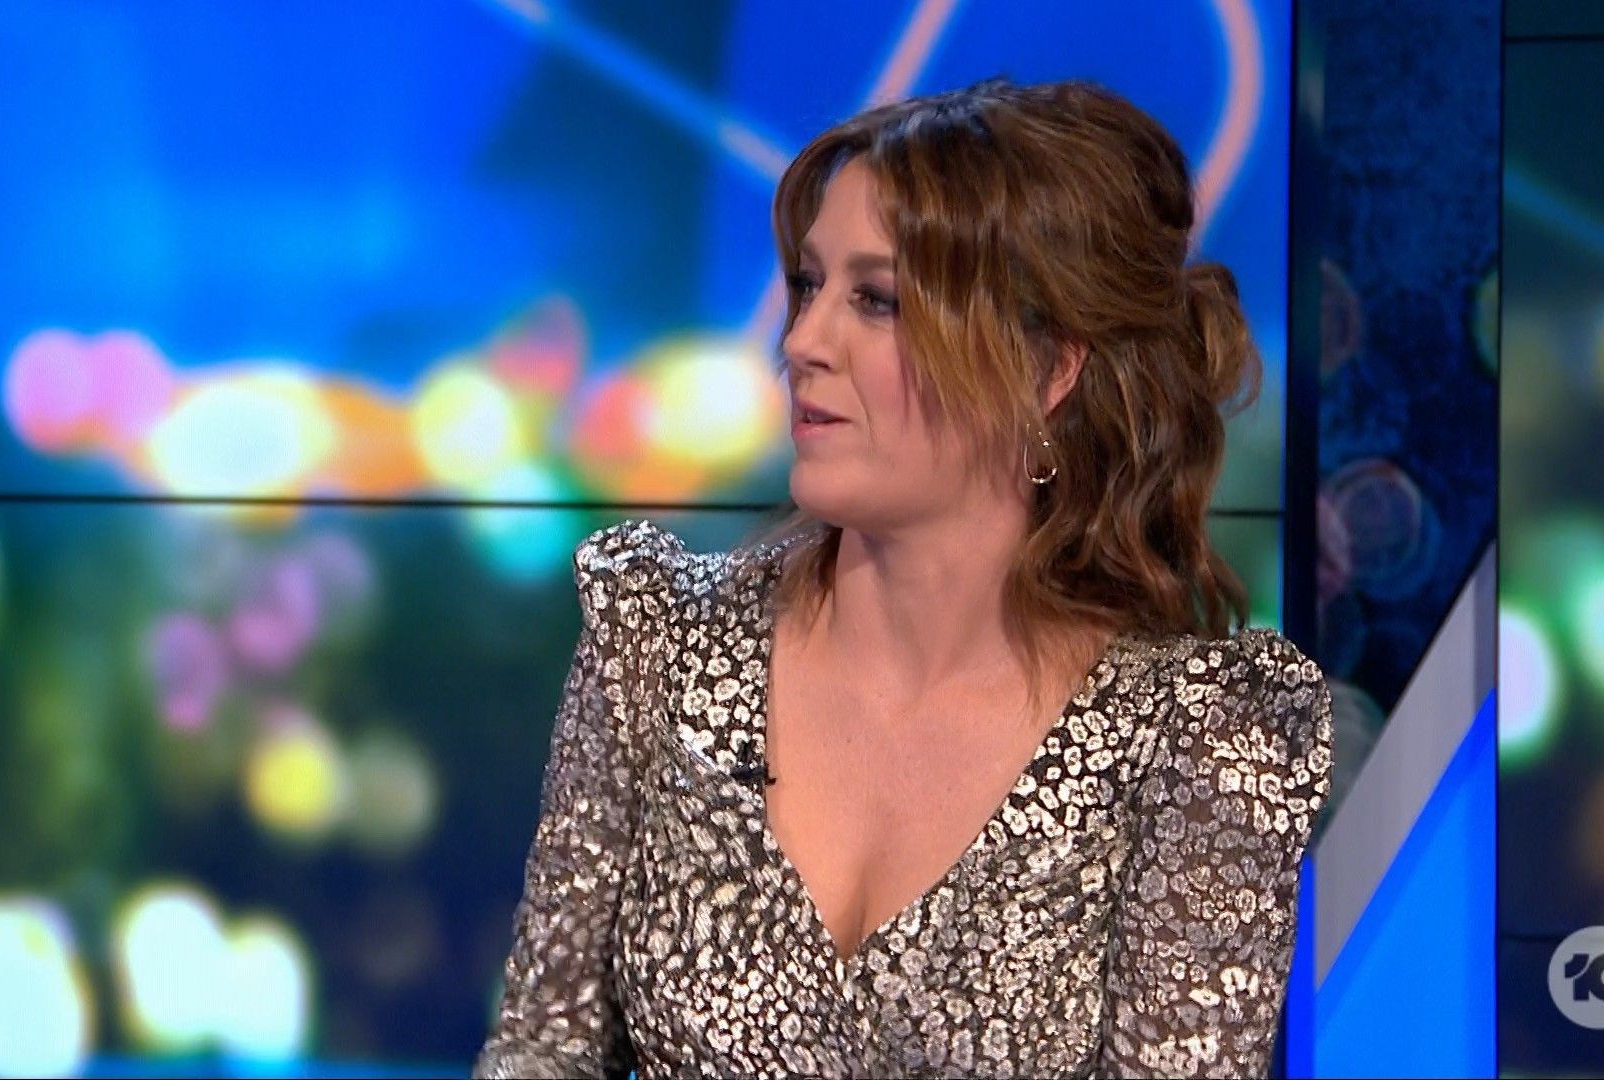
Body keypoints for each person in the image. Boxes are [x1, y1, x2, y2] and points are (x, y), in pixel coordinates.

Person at [473, 77, 1334, 1079]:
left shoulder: (1191, 745)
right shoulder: (660, 644)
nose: (801, 342)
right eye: (808, 286)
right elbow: (543, 1047)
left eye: (875, 301)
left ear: (1046, 370)